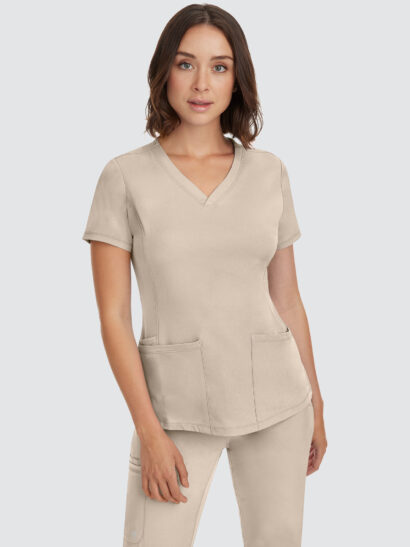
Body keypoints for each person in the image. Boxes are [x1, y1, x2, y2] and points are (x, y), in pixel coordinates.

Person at [82, 4, 327, 546]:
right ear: (164, 71)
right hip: (174, 412)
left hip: (279, 403)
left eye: (219, 67)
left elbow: (287, 299)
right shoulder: (124, 178)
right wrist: (149, 431)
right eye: (186, 63)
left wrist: (317, 404)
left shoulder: (269, 172)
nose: (201, 83)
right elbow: (114, 317)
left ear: (237, 79)